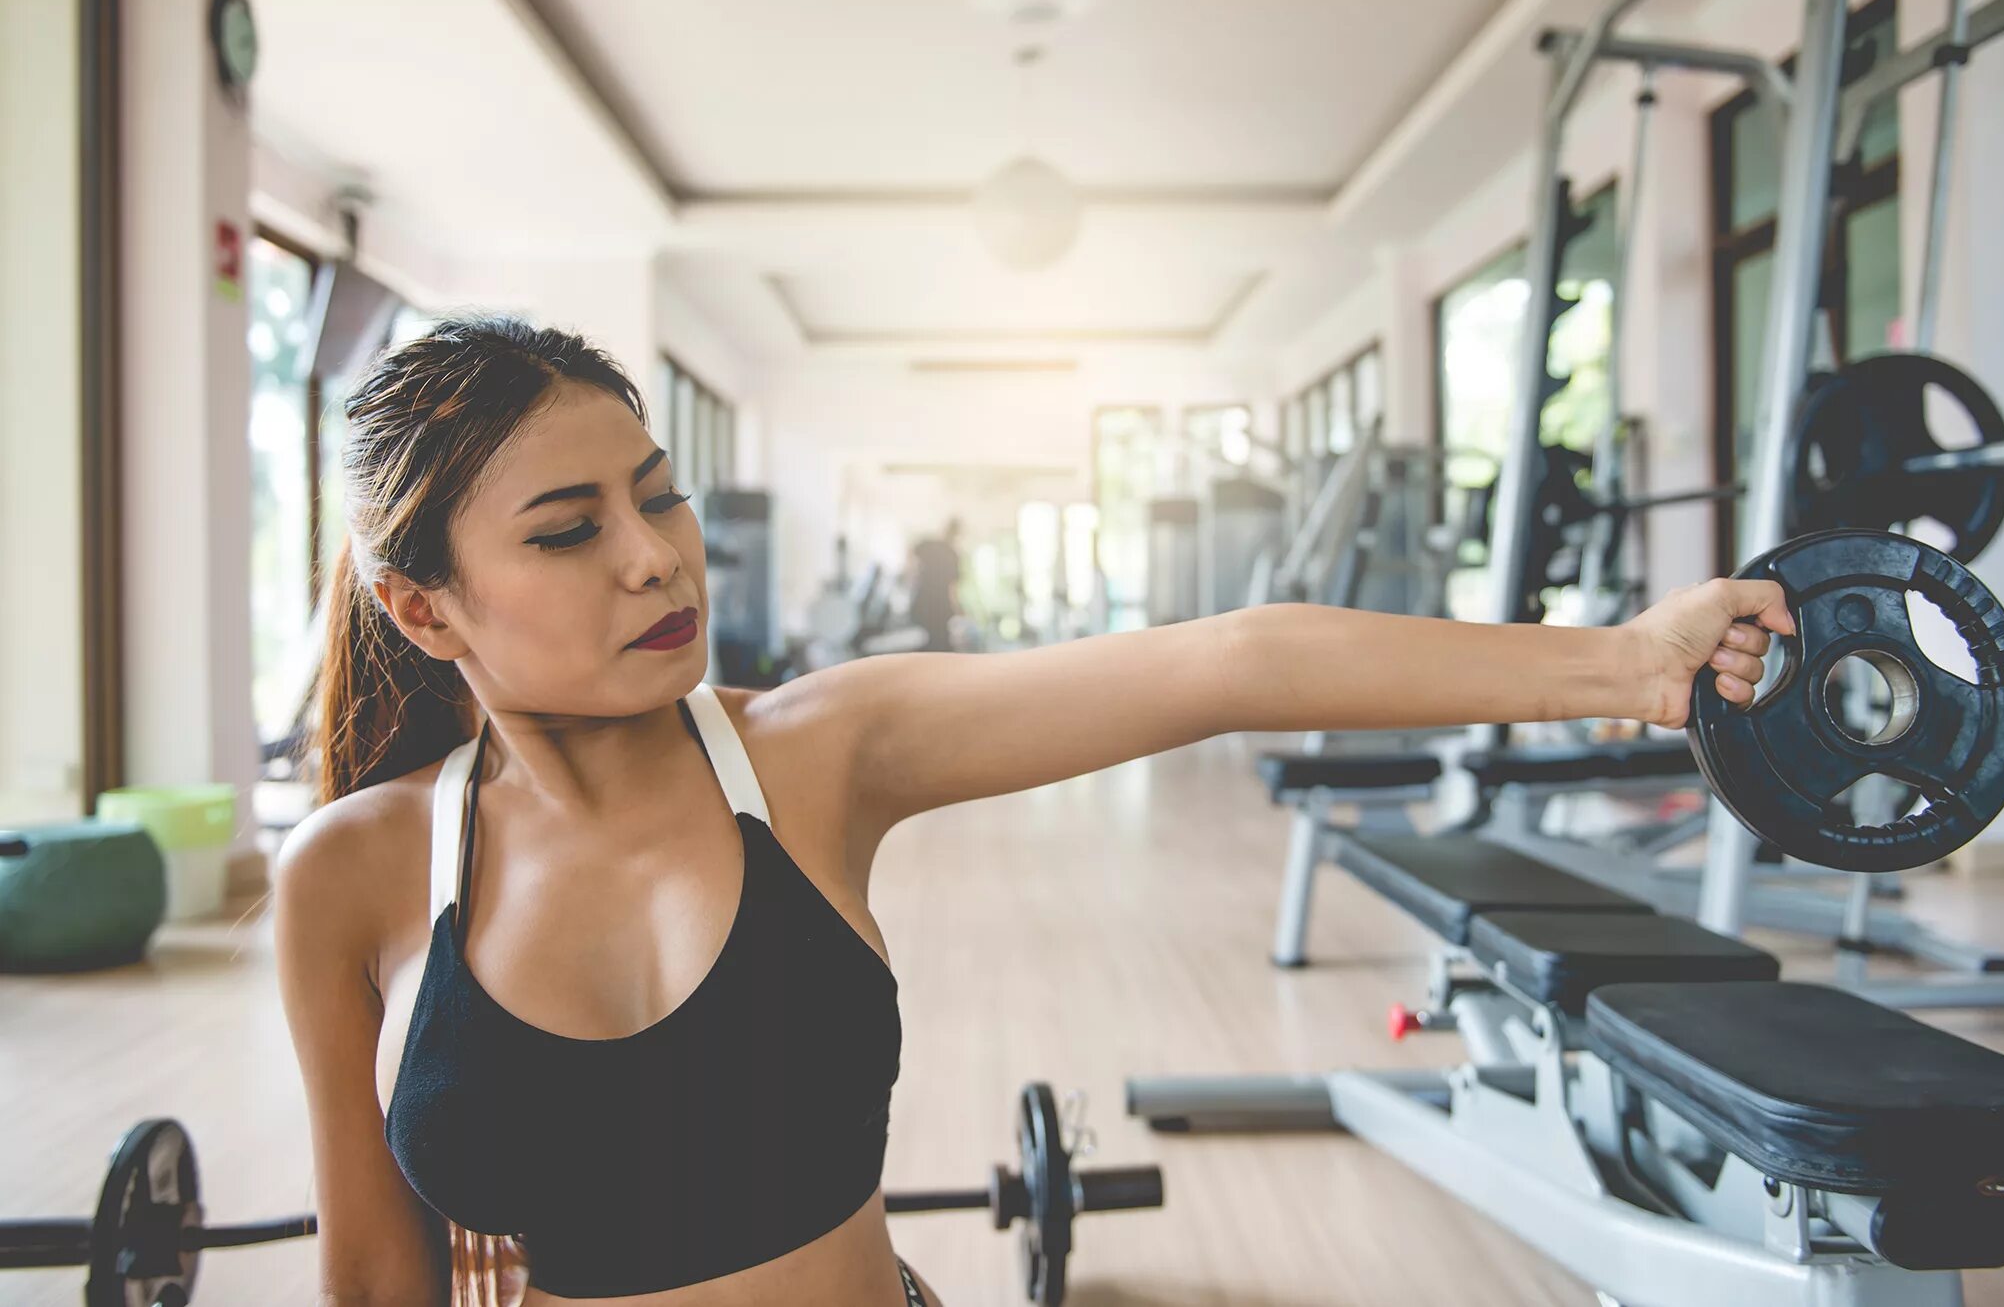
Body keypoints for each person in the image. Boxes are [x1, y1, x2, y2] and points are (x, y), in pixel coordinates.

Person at [272, 315, 1790, 1307]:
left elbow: (1231, 662)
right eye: (568, 529)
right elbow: (374, 1274)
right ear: (423, 607)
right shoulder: (354, 873)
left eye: (658, 495)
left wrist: (1626, 664)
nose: (656, 556)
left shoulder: (819, 751)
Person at [904, 519, 962, 651]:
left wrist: (911, 575)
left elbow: (910, 552)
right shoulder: (952, 554)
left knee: (931, 641)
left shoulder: (929, 545)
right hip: (940, 606)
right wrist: (957, 607)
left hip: (922, 604)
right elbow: (952, 587)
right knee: (941, 643)